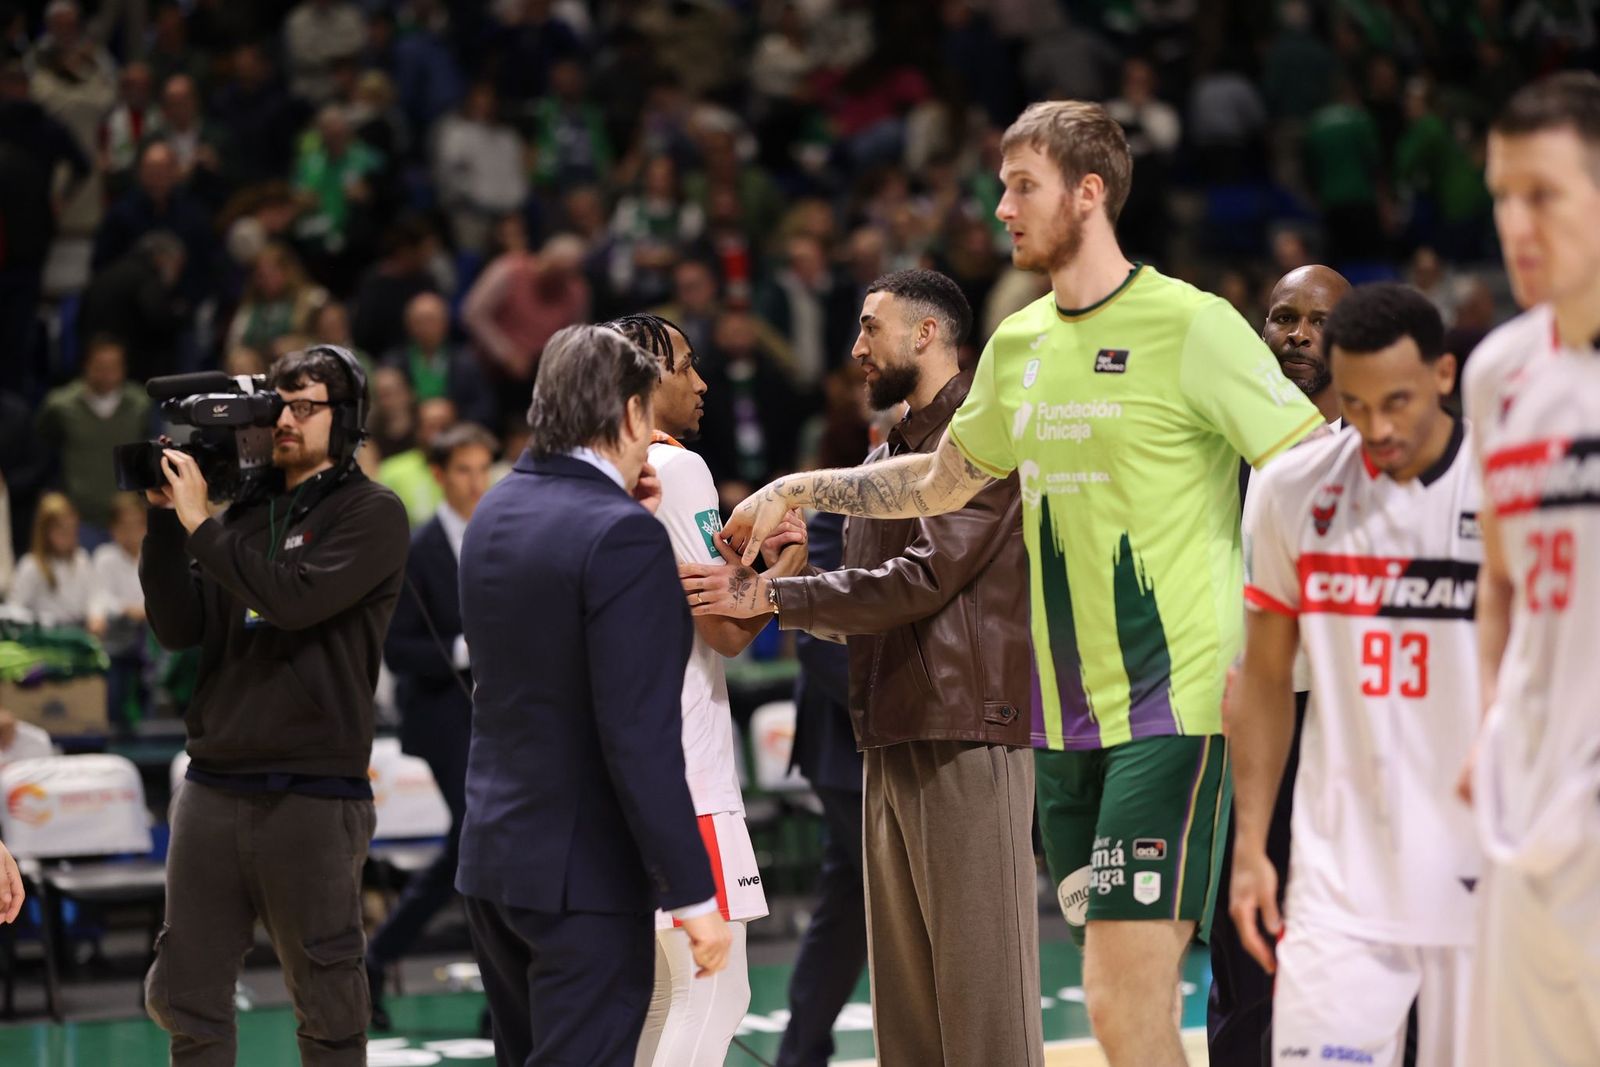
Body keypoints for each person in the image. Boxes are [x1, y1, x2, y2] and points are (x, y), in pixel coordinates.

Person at [719, 101, 1325, 1066]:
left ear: (1089, 194)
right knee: (1122, 1004)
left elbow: (1312, 465)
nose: (1001, 207)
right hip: (1062, 728)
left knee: (1125, 1001)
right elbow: (937, 479)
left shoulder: (1193, 325)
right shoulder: (1019, 342)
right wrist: (797, 485)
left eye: (1022, 185)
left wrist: (1289, 638)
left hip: (1175, 711)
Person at [685, 270, 1043, 1067]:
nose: (854, 348)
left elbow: (921, 581)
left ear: (926, 334)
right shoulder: (882, 457)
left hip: (965, 732)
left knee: (985, 1008)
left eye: (869, 327)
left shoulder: (987, 437)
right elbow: (863, 613)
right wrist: (783, 577)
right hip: (884, 733)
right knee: (908, 1015)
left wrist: (777, 596)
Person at [455, 325, 731, 1067]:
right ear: (634, 414)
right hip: (584, 873)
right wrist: (695, 897)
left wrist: (621, 512)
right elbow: (637, 735)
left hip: (493, 860)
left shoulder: (493, 512)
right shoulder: (619, 537)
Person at [1230, 283, 1481, 1067]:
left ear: (1443, 375)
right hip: (1341, 870)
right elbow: (1267, 677)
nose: (1378, 427)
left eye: (1398, 402)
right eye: (1359, 402)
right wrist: (1250, 842)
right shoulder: (1290, 489)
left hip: (1485, 865)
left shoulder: (1510, 489)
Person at [140, 345, 410, 1066]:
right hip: (212, 787)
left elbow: (291, 600)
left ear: (345, 417)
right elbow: (177, 627)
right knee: (185, 999)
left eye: (304, 405)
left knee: (328, 1006)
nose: (283, 419)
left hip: (313, 795)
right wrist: (168, 523)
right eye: (276, 404)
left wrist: (201, 525)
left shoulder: (373, 512)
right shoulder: (238, 514)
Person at [604, 313, 806, 1067]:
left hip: (620, 768)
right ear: (643, 379)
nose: (702, 381)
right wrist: (785, 566)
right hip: (686, 771)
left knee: (662, 995)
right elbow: (724, 625)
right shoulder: (675, 467)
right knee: (719, 991)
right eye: (686, 365)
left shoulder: (590, 471)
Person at [1459, 71, 1600, 1067]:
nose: (1516, 222)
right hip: (1530, 790)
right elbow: (1497, 581)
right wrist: (1488, 725)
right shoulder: (1496, 372)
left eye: (1541, 194)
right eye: (1501, 195)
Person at [1208, 264, 1350, 1064]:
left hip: (1347, 729)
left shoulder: (1376, 454)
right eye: (1281, 317)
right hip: (1256, 728)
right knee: (1245, 961)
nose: (1296, 333)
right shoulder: (1228, 451)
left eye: (1318, 320)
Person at [366, 421, 498, 1030]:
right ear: (440, 476)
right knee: (480, 841)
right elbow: (398, 652)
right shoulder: (418, 551)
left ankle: (378, 957)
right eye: (463, 470)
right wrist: (468, 647)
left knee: (476, 849)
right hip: (443, 716)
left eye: (483, 469)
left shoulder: (501, 532)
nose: (476, 482)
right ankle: (502, 989)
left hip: (503, 714)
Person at [7, 491, 104, 635]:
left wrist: (96, 616)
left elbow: (95, 595)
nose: (69, 536)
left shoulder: (81, 558)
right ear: (44, 532)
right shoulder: (31, 565)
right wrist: (40, 622)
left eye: (72, 530)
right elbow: (14, 609)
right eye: (62, 531)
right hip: (47, 637)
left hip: (80, 633)